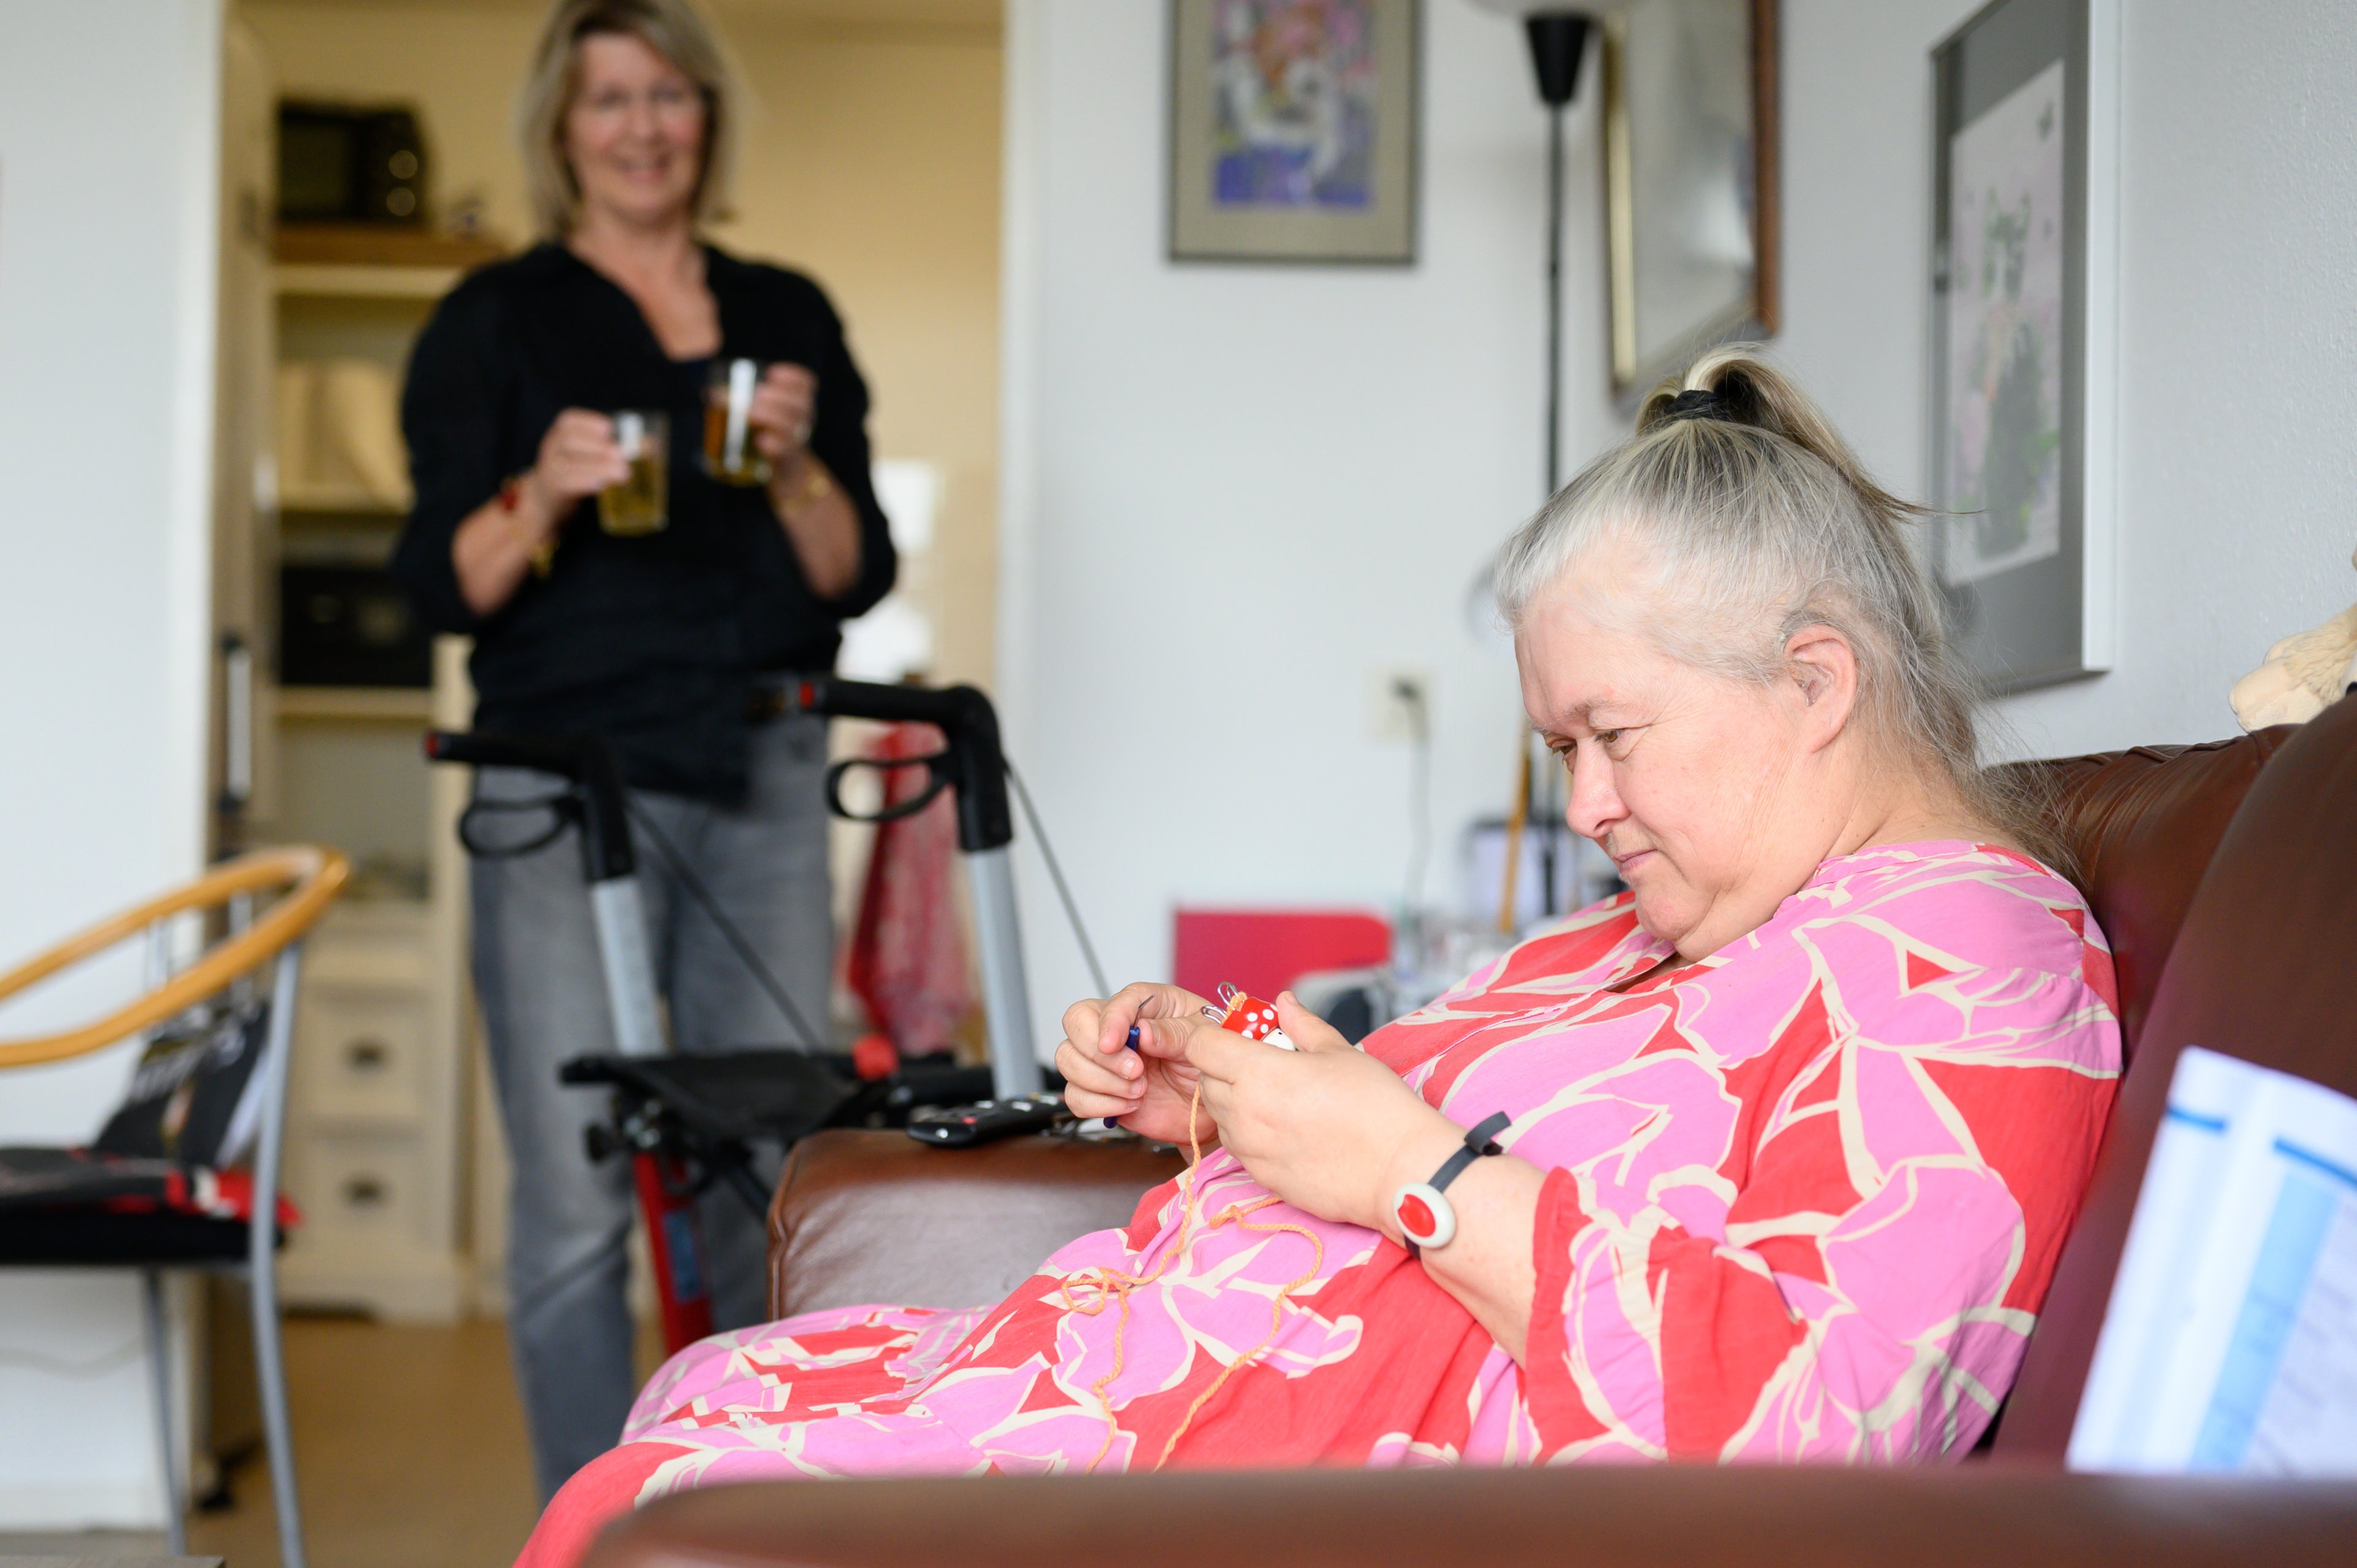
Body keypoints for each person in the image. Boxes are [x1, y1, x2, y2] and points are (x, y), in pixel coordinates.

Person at [513, 348, 2122, 1564]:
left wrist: (1410, 1171)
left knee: (670, 1503)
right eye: (1561, 744)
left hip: (1276, 1486)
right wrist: (1205, 1070)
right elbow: (1446, 1104)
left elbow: (1820, 1435)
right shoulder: (1675, 918)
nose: (1588, 803)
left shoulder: (1973, 960)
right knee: (709, 1396)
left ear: (1816, 682)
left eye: (1613, 733)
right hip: (1155, 1377)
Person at [389, 0, 896, 1503]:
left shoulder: (787, 311)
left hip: (758, 771)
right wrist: (539, 493)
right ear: (563, 126)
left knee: (770, 1162)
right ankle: (588, 1521)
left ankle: (740, 1508)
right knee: (572, 1190)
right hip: (561, 788)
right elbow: (441, 585)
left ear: (706, 119)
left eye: (669, 95)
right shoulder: (492, 321)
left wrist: (798, 463)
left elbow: (848, 573)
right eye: (610, 97)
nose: (642, 125)